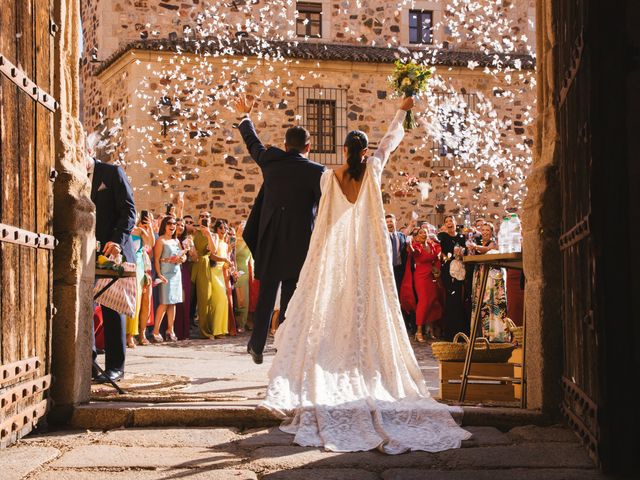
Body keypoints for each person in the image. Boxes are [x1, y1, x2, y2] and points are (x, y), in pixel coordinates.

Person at [263, 97, 471, 453]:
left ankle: (340, 366)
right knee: (371, 313)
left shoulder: (331, 177)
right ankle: (367, 366)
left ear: (344, 150)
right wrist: (403, 108)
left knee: (340, 312)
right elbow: (392, 138)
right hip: (368, 256)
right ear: (365, 150)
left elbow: (323, 217)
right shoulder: (374, 168)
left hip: (342, 254)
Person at [234, 94, 326, 364]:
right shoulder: (317, 172)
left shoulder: (271, 161)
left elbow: (253, 143)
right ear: (308, 147)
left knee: (266, 295)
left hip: (271, 239)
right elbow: (324, 207)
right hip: (299, 243)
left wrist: (245, 117)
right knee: (290, 295)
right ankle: (285, 346)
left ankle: (257, 344)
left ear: (286, 146)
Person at [86, 132, 136, 383]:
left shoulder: (111, 173)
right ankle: (90, 363)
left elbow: (129, 212)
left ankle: (116, 366)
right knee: (83, 308)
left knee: (112, 308)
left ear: (88, 152)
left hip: (112, 251)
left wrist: (116, 241)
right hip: (83, 253)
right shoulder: (70, 178)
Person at [402, 227, 444, 342]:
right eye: (421, 233)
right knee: (424, 301)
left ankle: (430, 328)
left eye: (425, 232)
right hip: (420, 276)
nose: (423, 234)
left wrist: (437, 268)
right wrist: (409, 243)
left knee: (432, 300)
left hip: (431, 275)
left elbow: (436, 257)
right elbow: (412, 251)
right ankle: (419, 331)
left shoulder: (431, 245)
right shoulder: (416, 246)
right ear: (417, 236)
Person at [468, 222, 509, 342]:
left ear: (492, 232)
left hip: (491, 275)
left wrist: (474, 247)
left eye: (488, 230)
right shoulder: (479, 243)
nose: (485, 232)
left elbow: (488, 250)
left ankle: (495, 334)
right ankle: (481, 334)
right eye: (483, 230)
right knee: (480, 303)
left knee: (492, 302)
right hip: (480, 274)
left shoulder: (494, 243)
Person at [151, 216, 185, 342]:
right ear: (164, 225)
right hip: (165, 272)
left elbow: (182, 256)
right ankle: (155, 331)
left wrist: (182, 259)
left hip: (176, 273)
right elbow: (156, 259)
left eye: (174, 224)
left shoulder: (176, 241)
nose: (172, 226)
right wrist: (159, 274)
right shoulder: (161, 240)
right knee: (164, 302)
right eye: (170, 223)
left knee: (173, 302)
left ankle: (170, 330)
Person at [438, 215, 468, 340]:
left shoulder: (462, 237)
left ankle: (461, 331)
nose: (449, 223)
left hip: (460, 269)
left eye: (451, 221)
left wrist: (462, 253)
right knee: (451, 299)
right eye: (446, 222)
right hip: (448, 270)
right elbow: (440, 251)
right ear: (444, 225)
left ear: (456, 222)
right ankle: (450, 333)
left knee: (460, 299)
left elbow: (466, 251)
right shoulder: (443, 237)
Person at [386, 213, 414, 335]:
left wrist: (412, 224)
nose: (389, 224)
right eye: (386, 222)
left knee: (400, 296)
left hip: (399, 271)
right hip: (386, 270)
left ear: (395, 222)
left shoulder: (401, 236)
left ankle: (403, 324)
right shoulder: (381, 237)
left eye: (391, 221)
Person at [234, 221, 253, 333]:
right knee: (233, 297)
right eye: (241, 227)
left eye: (244, 227)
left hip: (243, 271)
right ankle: (233, 323)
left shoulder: (249, 242)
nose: (242, 229)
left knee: (242, 298)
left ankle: (241, 323)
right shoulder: (233, 240)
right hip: (232, 269)